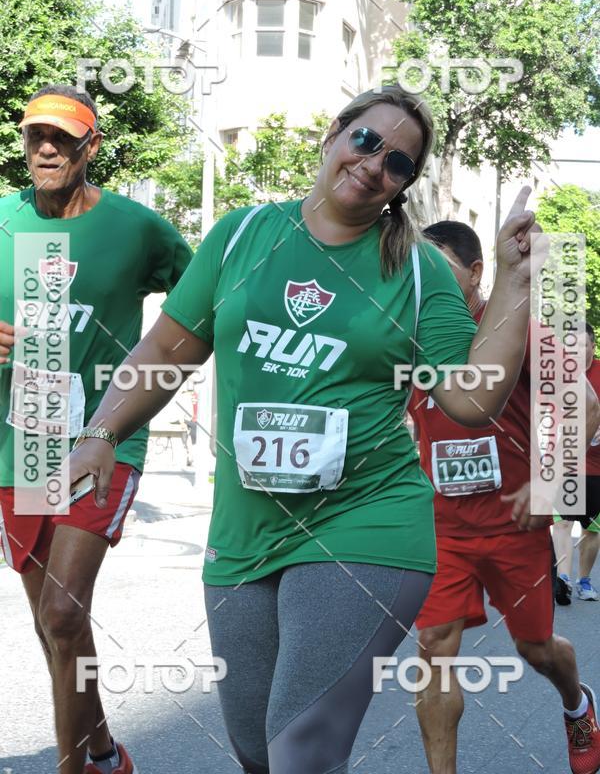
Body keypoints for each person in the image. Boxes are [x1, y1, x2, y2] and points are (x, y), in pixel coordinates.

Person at [67, 86, 542, 774]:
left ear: (404, 186)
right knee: (257, 750)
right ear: (334, 135)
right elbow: (169, 350)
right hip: (242, 537)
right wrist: (101, 431)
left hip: (366, 525)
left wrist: (514, 281)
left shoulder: (416, 273)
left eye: (399, 162)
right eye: (367, 141)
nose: (375, 164)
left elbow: (472, 400)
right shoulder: (241, 237)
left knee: (301, 753)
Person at [0, 85, 192, 774]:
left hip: (105, 434)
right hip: (21, 442)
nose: (45, 149)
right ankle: (105, 752)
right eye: (34, 138)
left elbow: (204, 304)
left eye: (61, 138)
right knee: (58, 626)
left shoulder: (139, 229)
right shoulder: (1, 219)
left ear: (92, 146)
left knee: (59, 612)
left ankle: (72, 767)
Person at [408, 221, 600, 774]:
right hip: (442, 528)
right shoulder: (413, 334)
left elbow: (584, 404)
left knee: (537, 649)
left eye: (439, 270)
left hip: (515, 525)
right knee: (433, 652)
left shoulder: (524, 332)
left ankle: (578, 704)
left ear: (474, 273)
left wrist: (551, 483)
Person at [553, 323, 600, 604]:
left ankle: (584, 579)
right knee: (562, 522)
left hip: (596, 466)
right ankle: (564, 579)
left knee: (591, 530)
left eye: (581, 346)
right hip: (567, 462)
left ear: (592, 346)